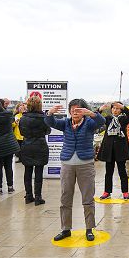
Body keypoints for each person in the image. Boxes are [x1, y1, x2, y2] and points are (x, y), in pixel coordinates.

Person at [45, 99, 105, 242]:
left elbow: (101, 121)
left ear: (83, 111)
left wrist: (91, 113)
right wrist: (49, 113)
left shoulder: (89, 123)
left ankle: (89, 229)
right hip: (67, 164)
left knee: (88, 198)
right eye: (72, 109)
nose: (74, 112)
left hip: (86, 164)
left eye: (78, 110)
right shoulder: (65, 123)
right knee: (65, 197)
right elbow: (50, 122)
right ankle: (65, 229)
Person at [97, 102, 129, 200]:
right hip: (109, 149)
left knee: (122, 172)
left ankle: (125, 191)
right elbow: (96, 118)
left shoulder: (123, 119)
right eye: (113, 108)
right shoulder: (108, 119)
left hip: (120, 149)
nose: (115, 110)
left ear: (121, 110)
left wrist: (123, 107)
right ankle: (107, 192)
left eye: (117, 108)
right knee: (108, 172)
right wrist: (100, 109)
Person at [19, 96, 51, 205]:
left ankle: (28, 196)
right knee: (39, 172)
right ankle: (38, 197)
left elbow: (22, 132)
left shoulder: (23, 118)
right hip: (40, 146)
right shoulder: (44, 118)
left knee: (27, 171)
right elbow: (48, 131)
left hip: (27, 145)